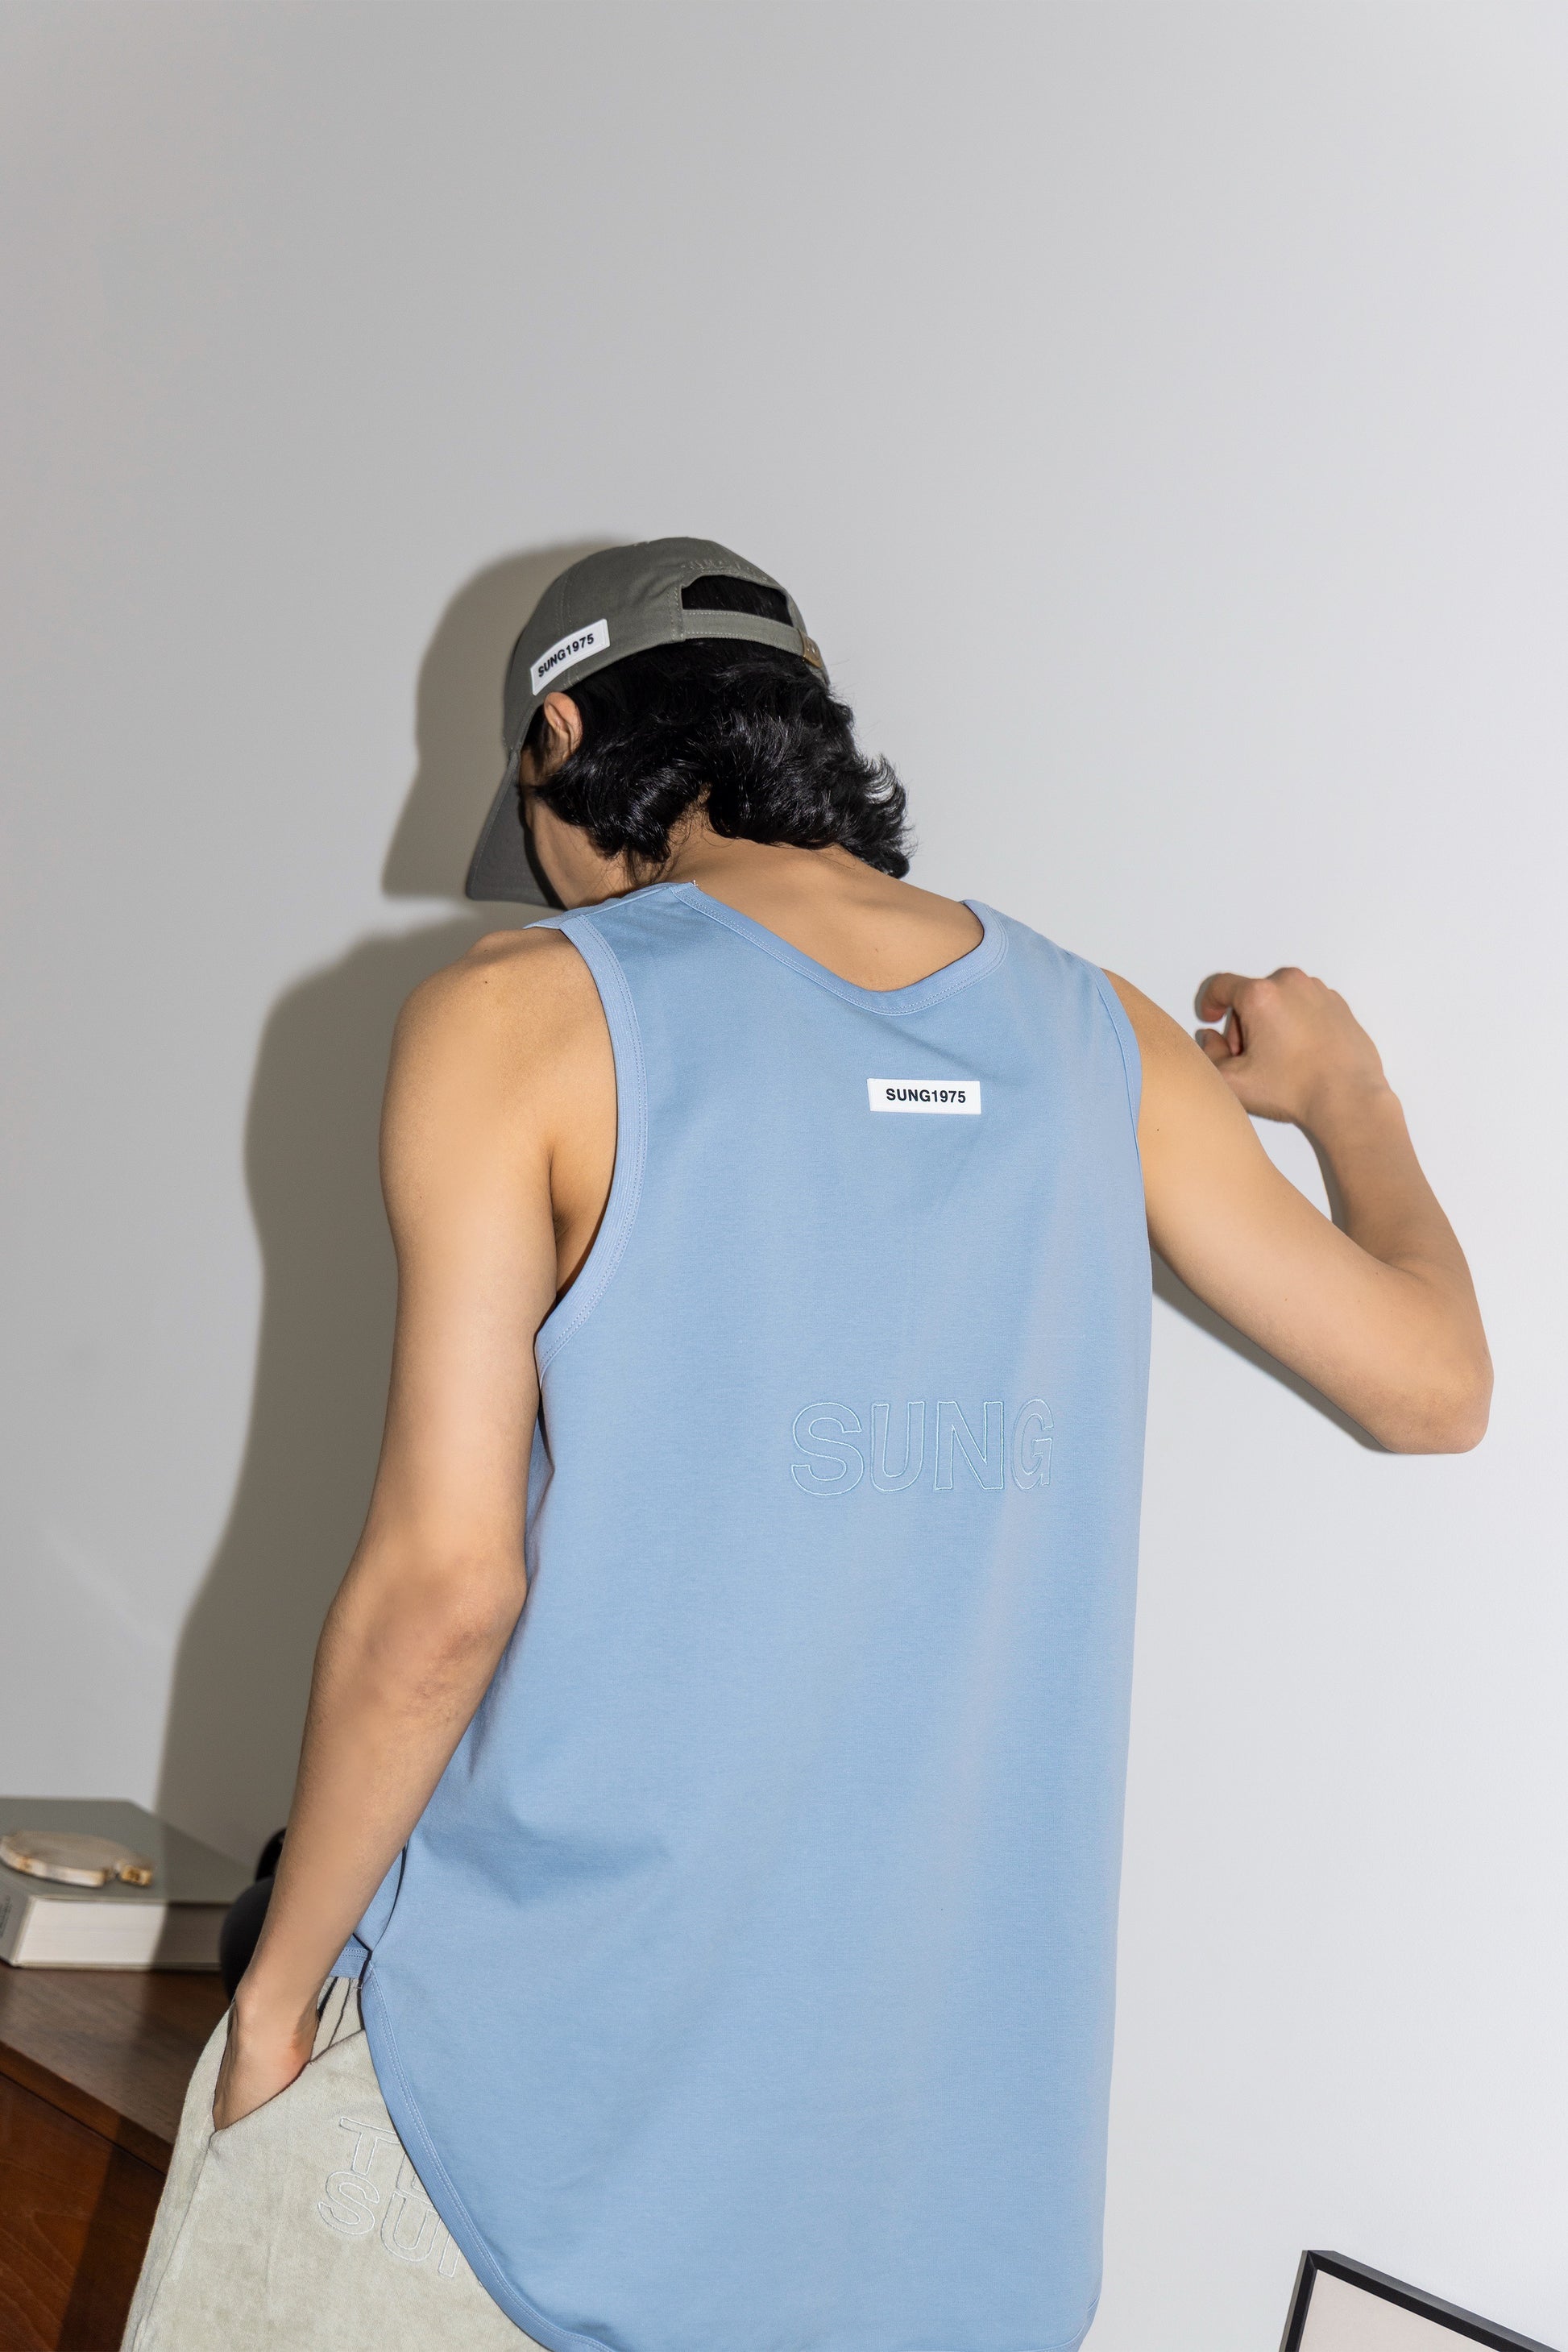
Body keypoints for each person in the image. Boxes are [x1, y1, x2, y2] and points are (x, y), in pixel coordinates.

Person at [124, 539, 1490, 2352]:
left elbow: (443, 1589)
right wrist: (1345, 1097)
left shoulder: (518, 1011)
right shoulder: (1097, 1034)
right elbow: (1433, 1386)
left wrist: (276, 1994)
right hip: (928, 2215)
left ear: (558, 741)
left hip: (517, 2121)